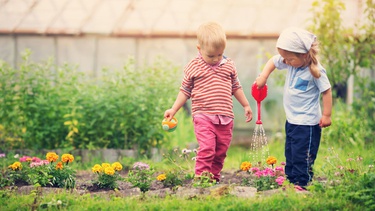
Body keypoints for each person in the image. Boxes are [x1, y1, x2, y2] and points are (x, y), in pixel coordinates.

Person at [164, 22, 253, 183]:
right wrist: (174, 109)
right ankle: (201, 178)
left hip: (225, 117)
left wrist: (246, 105)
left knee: (220, 151)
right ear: (199, 49)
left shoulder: (229, 66)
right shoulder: (194, 66)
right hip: (203, 115)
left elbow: (236, 87)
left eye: (220, 55)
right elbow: (185, 90)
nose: (216, 59)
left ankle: (214, 177)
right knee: (207, 148)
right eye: (211, 56)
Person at [255, 27, 332, 190]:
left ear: (303, 55)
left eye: (289, 59)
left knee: (302, 155)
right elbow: (273, 61)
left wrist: (326, 115)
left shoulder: (316, 71)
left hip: (307, 123)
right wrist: (263, 77)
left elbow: (326, 91)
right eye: (285, 58)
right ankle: (291, 179)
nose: (286, 62)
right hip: (292, 120)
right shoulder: (292, 62)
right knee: (290, 151)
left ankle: (302, 183)